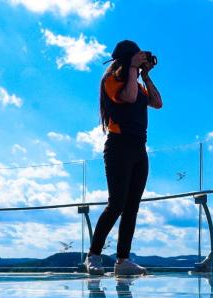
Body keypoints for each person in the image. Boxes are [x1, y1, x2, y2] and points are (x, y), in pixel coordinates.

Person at [84, 40, 163, 277]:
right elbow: (128, 98)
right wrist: (132, 69)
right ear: (127, 59)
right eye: (136, 58)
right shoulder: (111, 81)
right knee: (116, 203)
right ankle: (94, 256)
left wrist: (145, 75)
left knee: (132, 208)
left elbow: (157, 103)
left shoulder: (137, 84)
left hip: (139, 149)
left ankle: (122, 260)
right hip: (118, 147)